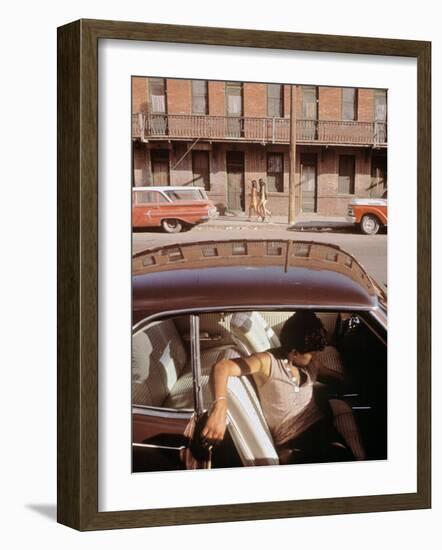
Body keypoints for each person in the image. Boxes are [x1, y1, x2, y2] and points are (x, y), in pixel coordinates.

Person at [202, 311, 353, 464]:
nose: (315, 357)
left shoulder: (310, 364)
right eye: (312, 354)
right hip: (292, 441)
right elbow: (222, 367)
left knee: (344, 458)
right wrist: (219, 406)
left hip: (320, 427)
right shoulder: (267, 362)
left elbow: (331, 376)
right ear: (294, 352)